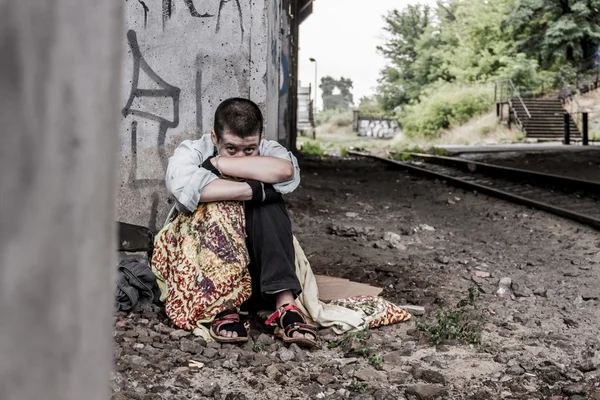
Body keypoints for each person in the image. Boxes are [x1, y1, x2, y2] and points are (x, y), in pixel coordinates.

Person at [156, 97, 317, 348]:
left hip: (259, 270)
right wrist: (258, 190)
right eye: (231, 148)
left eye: (249, 150)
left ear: (260, 139)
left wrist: (221, 163)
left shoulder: (269, 149)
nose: (241, 157)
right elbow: (184, 189)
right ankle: (224, 305)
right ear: (214, 137)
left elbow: (287, 173)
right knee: (223, 204)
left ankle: (285, 304)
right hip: (202, 269)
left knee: (270, 205)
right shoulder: (191, 150)